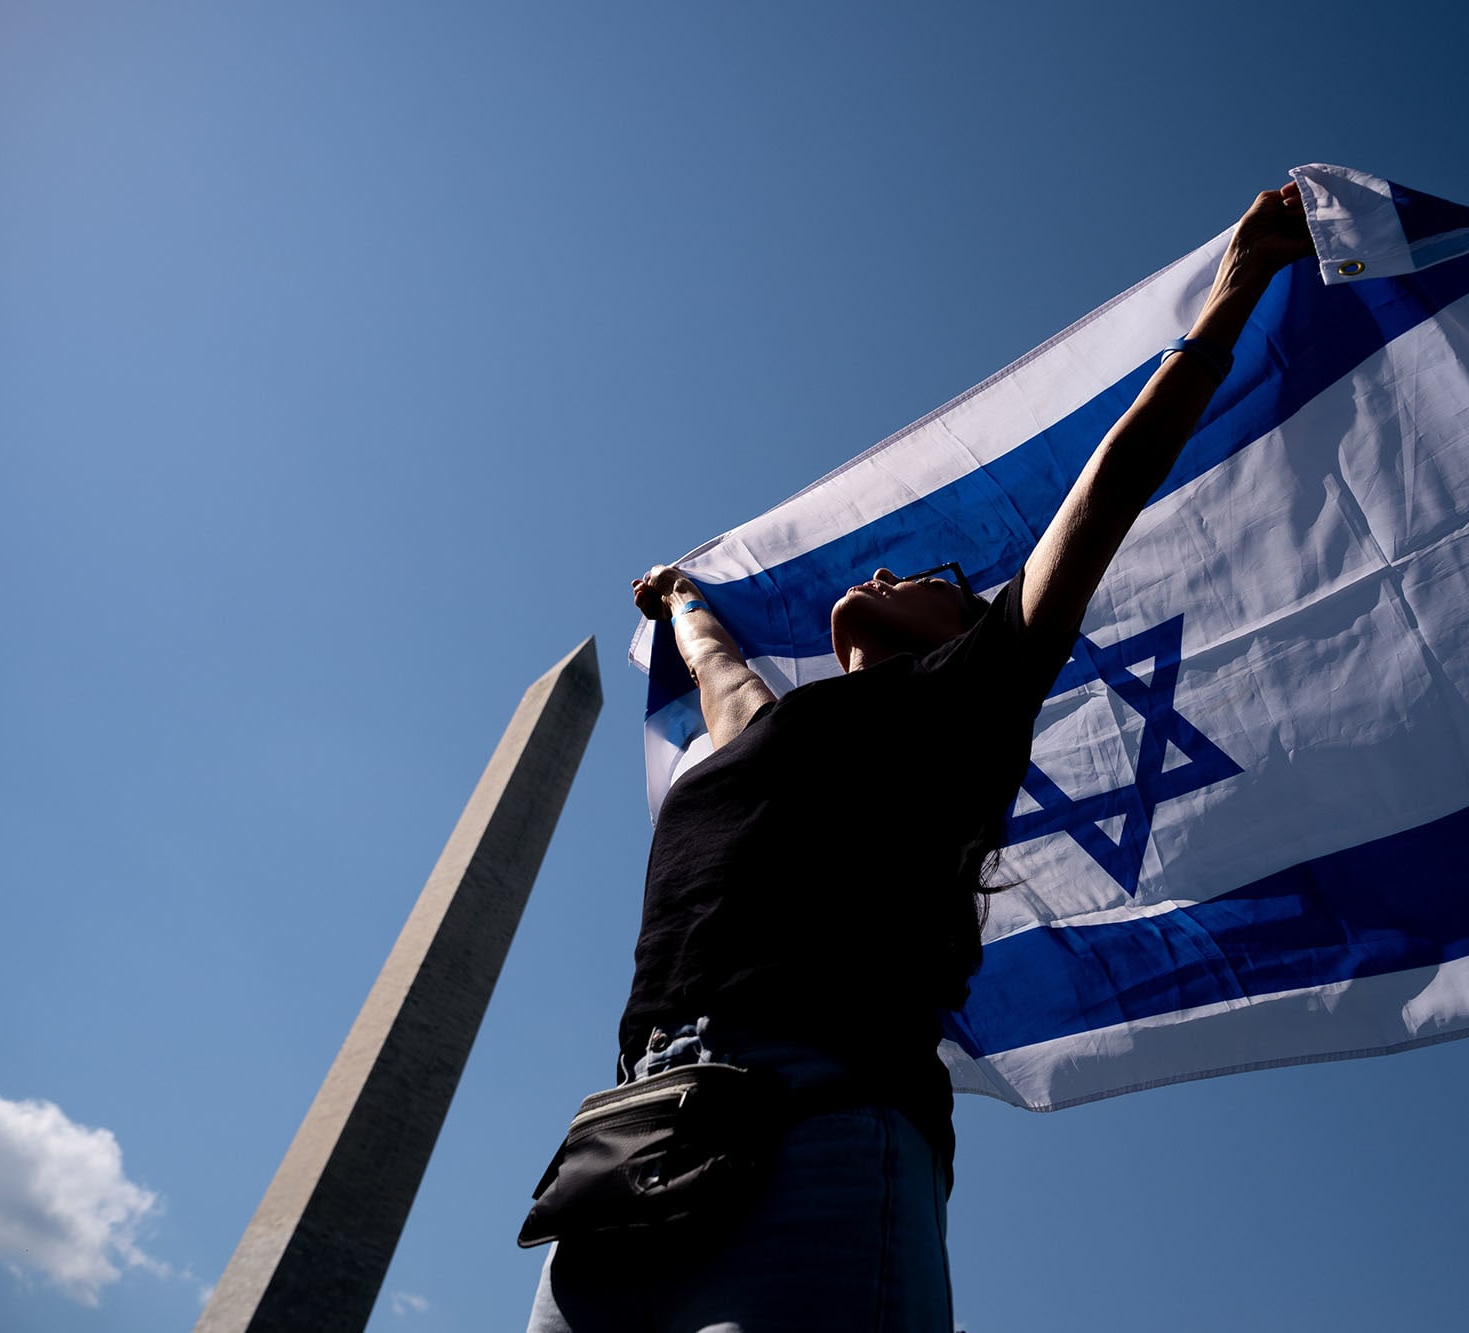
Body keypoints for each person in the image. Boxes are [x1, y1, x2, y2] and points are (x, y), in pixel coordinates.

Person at [527, 183, 1317, 1333]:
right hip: (626, 1144)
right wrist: (680, 597)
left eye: (932, 581)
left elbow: (1109, 489)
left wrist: (1230, 296)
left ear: (964, 630)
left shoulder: (969, 699)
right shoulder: (762, 728)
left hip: (815, 1132)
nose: (891, 573)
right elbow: (715, 666)